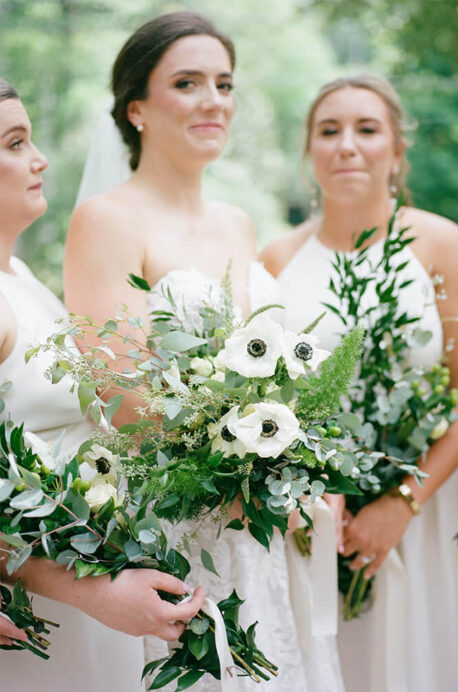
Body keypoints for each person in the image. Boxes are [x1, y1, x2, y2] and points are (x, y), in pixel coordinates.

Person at [61, 13, 342, 690]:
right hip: (180, 517)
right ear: (137, 109)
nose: (215, 100)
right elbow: (122, 394)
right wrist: (244, 470)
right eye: (187, 83)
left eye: (224, 83)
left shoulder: (236, 224)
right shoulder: (106, 219)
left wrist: (292, 470)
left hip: (262, 524)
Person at [261, 74, 458, 691]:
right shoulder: (274, 262)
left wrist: (402, 502)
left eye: (367, 130)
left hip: (426, 510)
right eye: (328, 131)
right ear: (308, 151)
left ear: (397, 152)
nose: (347, 145)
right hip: (315, 524)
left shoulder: (441, 245)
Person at [0, 75, 206, 690]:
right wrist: (92, 591)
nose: (38, 160)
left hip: (81, 573)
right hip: (49, 597)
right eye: (13, 143)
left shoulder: (19, 276)